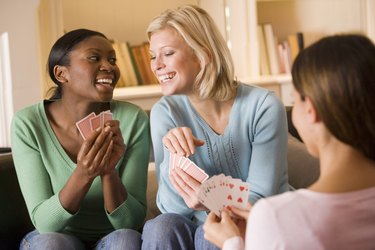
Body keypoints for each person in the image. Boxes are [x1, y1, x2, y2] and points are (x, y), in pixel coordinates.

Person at [203, 34, 375, 250]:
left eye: (294, 101)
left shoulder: (276, 217)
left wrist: (233, 244)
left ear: (311, 110)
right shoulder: (273, 218)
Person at [141, 5, 289, 250]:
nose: (156, 65)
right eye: (152, 56)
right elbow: (170, 208)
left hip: (255, 223)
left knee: (211, 234)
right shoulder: (164, 112)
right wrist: (172, 158)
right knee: (161, 227)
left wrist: (211, 199)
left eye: (167, 53)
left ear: (202, 55)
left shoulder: (263, 106)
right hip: (196, 223)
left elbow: (258, 201)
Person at [11, 28, 150, 249]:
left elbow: (130, 223)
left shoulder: (133, 119)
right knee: (49, 244)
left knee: (126, 240)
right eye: (94, 58)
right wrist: (84, 173)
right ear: (61, 74)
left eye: (112, 59)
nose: (109, 66)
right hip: (57, 237)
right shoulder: (28, 123)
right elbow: (45, 224)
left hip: (113, 237)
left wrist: (108, 172)